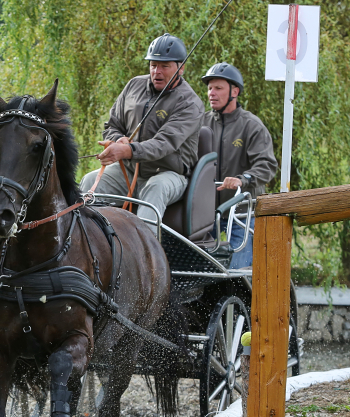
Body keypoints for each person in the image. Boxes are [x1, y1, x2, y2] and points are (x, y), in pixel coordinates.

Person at [80, 33, 204, 232]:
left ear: (181, 68)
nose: (157, 71)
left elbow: (164, 143)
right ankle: (91, 245)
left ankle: (146, 257)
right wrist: (116, 140)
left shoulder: (190, 103)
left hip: (167, 173)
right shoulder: (133, 85)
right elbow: (112, 124)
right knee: (89, 181)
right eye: (153, 65)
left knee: (156, 188)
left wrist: (126, 150)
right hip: (128, 170)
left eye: (165, 66)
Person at [201, 63, 277, 268]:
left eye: (218, 88)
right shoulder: (201, 123)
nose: (211, 93)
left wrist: (243, 180)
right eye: (209, 88)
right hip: (206, 214)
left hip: (242, 212)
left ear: (235, 91)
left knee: (237, 272)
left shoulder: (252, 126)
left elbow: (267, 165)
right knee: (198, 269)